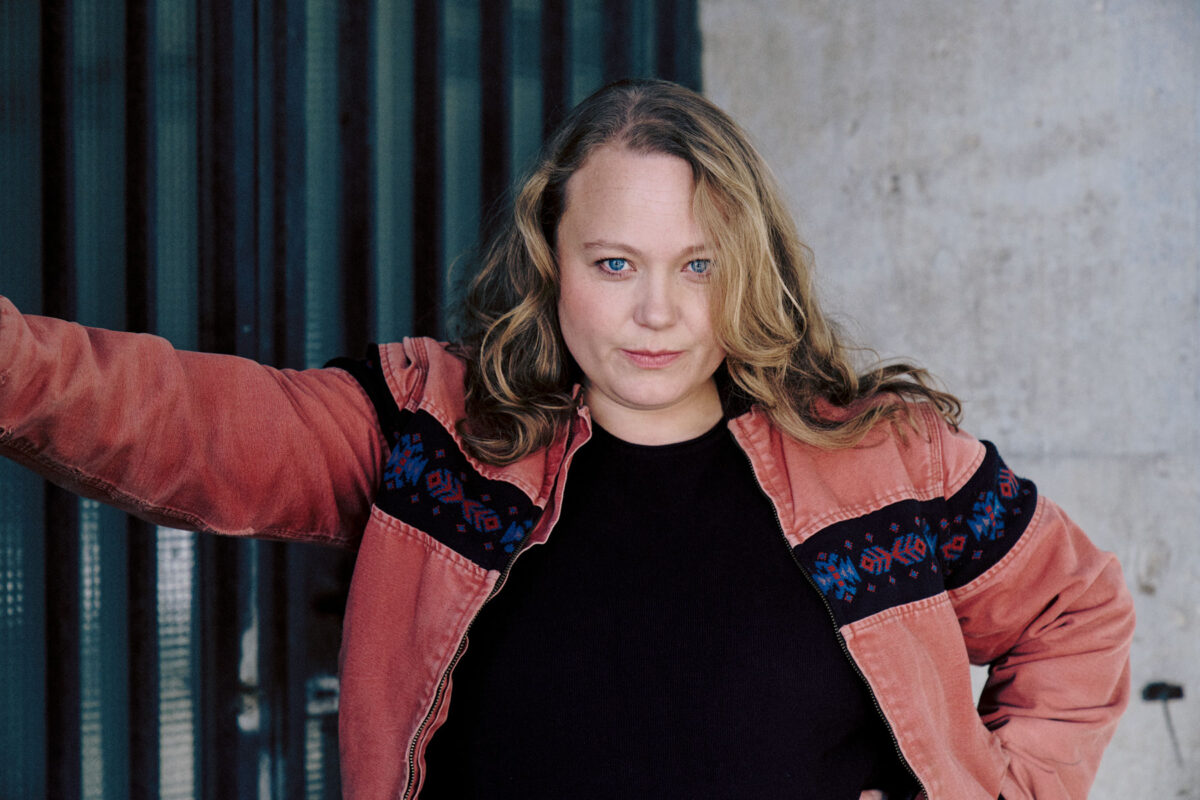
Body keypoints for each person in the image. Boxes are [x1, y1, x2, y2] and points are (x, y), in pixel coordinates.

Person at [0, 79, 1133, 799]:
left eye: (699, 265)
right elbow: (187, 421)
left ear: (751, 267)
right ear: (551, 261)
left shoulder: (884, 461)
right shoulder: (434, 438)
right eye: (615, 263)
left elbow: (1077, 615)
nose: (658, 311)